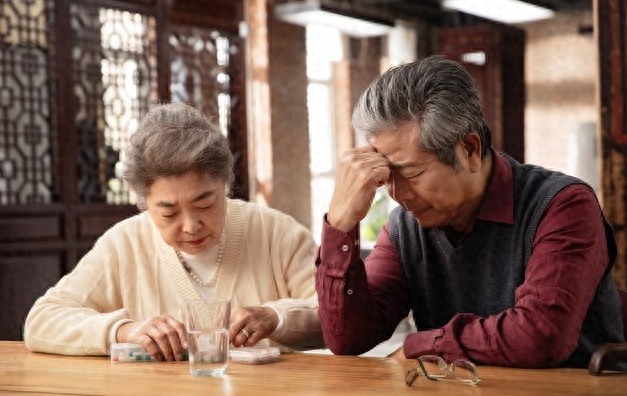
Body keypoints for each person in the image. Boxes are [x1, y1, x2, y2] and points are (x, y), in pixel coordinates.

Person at [315, 55, 625, 369]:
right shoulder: (404, 227)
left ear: (470, 151)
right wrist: (341, 223)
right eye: (387, 176)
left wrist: (420, 344)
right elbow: (348, 338)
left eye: (411, 173)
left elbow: (540, 337)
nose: (398, 194)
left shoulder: (563, 206)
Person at [24, 102, 324, 361]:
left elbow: (337, 318)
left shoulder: (278, 233)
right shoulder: (124, 243)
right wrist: (125, 331)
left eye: (205, 204)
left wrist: (276, 317)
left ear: (224, 185)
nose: (191, 226)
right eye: (168, 212)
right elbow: (42, 321)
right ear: (144, 203)